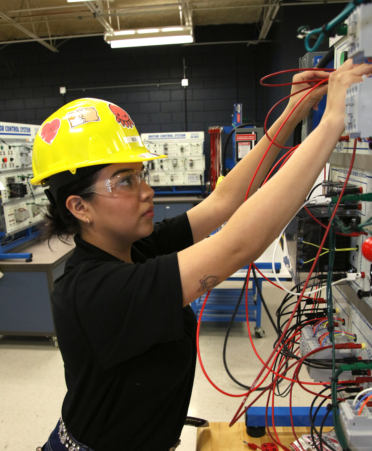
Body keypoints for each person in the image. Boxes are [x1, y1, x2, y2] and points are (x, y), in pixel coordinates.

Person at [32, 59, 372, 451]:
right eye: (124, 180)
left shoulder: (134, 249)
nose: (146, 191)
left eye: (141, 174)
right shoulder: (90, 291)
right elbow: (238, 244)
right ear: (79, 207)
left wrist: (294, 113)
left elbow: (225, 201)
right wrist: (330, 123)